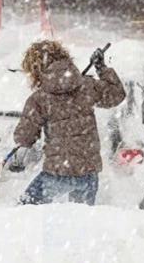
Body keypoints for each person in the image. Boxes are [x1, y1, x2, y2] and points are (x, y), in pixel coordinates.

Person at [13, 40, 126, 205]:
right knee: (80, 223)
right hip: (88, 173)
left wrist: (22, 143)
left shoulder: (39, 99)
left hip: (57, 171)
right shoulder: (86, 86)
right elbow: (117, 94)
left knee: (24, 210)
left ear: (36, 70)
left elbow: (24, 136)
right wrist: (101, 68)